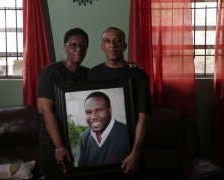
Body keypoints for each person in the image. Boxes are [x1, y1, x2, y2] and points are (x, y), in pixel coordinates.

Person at [88, 27, 152, 178]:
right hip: (102, 151)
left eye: (117, 40)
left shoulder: (138, 75)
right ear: (102, 46)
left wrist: (135, 153)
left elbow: (143, 117)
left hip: (130, 148)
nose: (112, 45)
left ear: (124, 45)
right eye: (107, 41)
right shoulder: (92, 74)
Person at [37, 27, 90, 180]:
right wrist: (59, 147)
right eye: (73, 45)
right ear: (65, 47)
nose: (78, 49)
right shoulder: (50, 72)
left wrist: (128, 66)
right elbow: (45, 110)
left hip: (78, 139)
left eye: (82, 45)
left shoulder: (89, 74)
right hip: (54, 140)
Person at [78, 91, 130, 167]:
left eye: (99, 110)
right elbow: (82, 167)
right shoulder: (84, 137)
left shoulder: (127, 134)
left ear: (110, 110)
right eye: (88, 112)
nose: (93, 117)